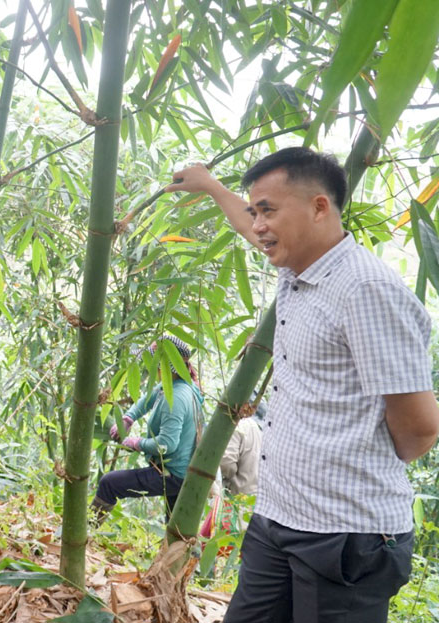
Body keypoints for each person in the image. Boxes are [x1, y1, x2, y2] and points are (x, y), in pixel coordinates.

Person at [167, 148, 439, 622]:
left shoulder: (365, 290)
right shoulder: (297, 269)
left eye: (268, 210)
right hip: (280, 518)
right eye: (255, 211)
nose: (257, 226)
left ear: (319, 207)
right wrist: (210, 185)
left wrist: (348, 452)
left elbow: (419, 430)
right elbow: (247, 225)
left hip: (345, 535)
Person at [92, 335, 205, 520]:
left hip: (173, 475)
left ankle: (86, 530)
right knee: (175, 527)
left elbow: (166, 444)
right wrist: (129, 417)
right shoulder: (176, 385)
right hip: (182, 471)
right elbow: (148, 398)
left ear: (163, 366)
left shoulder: (176, 398)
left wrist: (137, 443)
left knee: (109, 483)